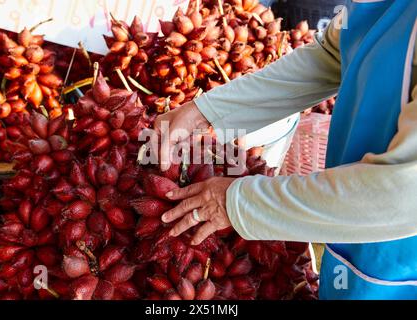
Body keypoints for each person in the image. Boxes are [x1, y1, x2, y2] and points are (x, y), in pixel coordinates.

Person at [154, 1, 417, 300]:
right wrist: (205, 111)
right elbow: (332, 55)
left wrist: (239, 203)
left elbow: (404, 192)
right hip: (354, 252)